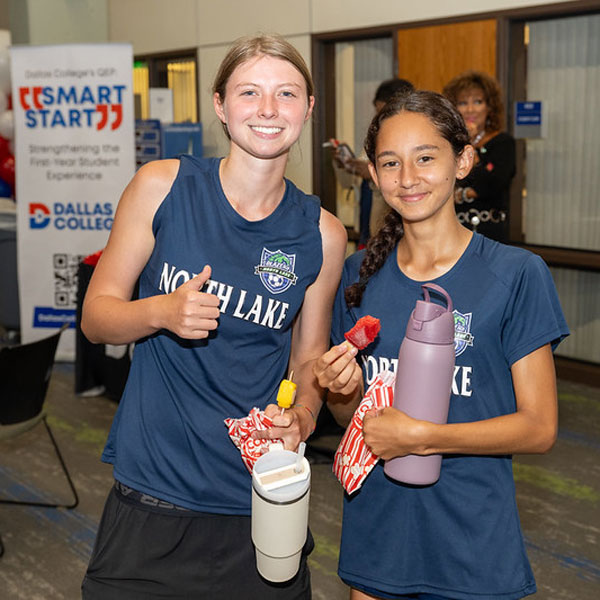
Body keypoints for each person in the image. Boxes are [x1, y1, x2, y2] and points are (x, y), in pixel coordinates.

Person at [80, 33, 347, 599]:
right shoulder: (162, 186)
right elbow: (97, 318)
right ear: (221, 106)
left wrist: (301, 415)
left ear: (308, 109)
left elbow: (307, 361)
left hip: (261, 500)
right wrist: (160, 311)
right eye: (249, 92)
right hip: (152, 494)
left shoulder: (322, 234)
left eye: (287, 93)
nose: (269, 109)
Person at [313, 90, 569, 599]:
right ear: (374, 172)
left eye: (425, 158)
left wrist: (424, 437)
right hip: (378, 537)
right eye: (390, 162)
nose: (407, 178)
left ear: (464, 160)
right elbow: (353, 422)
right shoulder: (356, 278)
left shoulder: (515, 275)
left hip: (472, 544)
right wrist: (343, 392)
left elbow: (539, 427)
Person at [336, 78, 414, 244]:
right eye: (377, 111)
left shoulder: (414, 140)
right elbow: (350, 183)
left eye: (384, 112)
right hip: (369, 219)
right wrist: (347, 165)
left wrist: (373, 175)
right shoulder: (376, 137)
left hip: (395, 227)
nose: (380, 118)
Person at [443, 70, 516, 243]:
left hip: (489, 231)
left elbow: (492, 185)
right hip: (450, 232)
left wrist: (470, 148)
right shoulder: (446, 144)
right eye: (462, 103)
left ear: (489, 107)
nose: (470, 109)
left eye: (478, 102)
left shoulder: (503, 142)